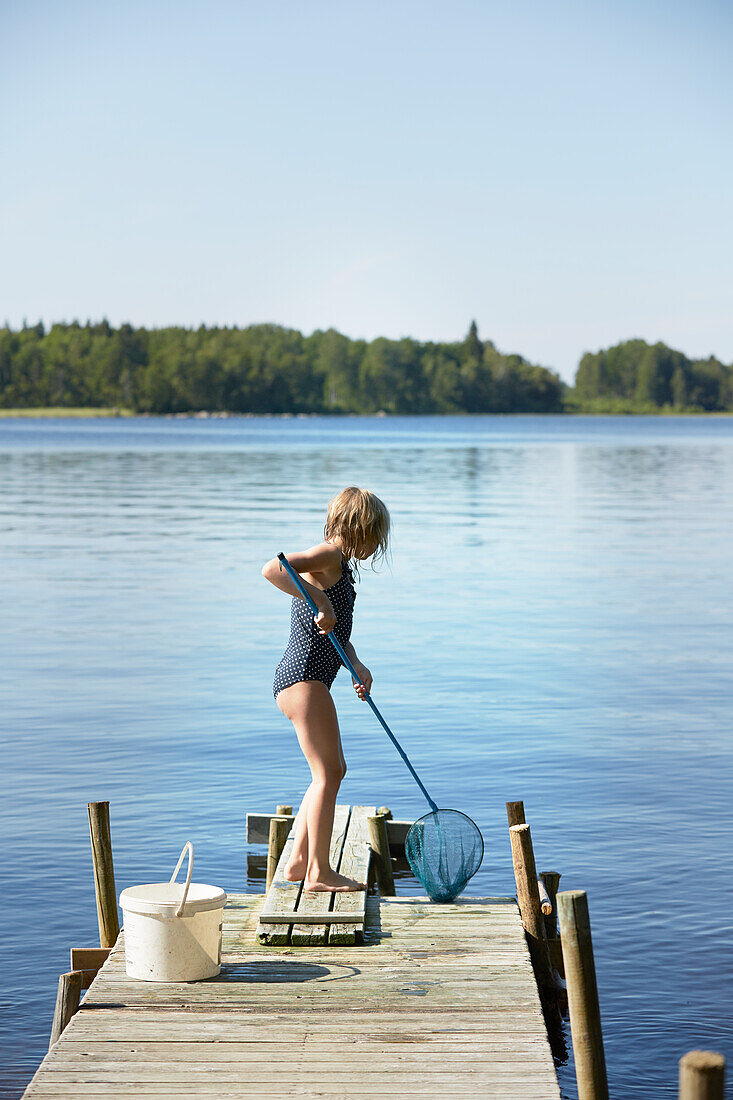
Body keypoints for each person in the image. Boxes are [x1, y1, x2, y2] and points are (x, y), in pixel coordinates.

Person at [261, 487, 390, 893]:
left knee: (331, 771)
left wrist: (356, 664)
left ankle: (299, 861)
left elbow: (337, 635)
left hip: (309, 678)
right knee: (328, 773)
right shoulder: (329, 554)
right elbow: (273, 568)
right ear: (358, 529)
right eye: (375, 536)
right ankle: (319, 872)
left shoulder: (341, 566)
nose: (377, 546)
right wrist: (318, 596)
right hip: (304, 679)